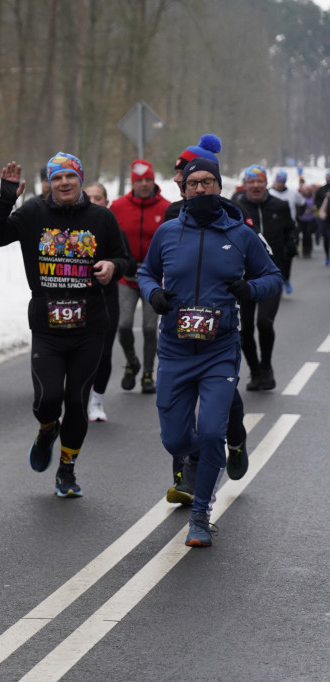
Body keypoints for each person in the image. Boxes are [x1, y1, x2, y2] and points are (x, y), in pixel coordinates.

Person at [137, 156, 281, 547]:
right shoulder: (168, 233)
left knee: (212, 430)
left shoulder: (241, 234)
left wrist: (249, 290)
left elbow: (272, 276)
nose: (200, 189)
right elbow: (145, 271)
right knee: (175, 441)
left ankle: (201, 514)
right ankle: (205, 457)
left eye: (208, 183)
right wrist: (153, 294)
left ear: (219, 187)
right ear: (182, 190)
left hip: (219, 348)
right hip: (175, 348)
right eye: (193, 184)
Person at [0, 153, 132, 497]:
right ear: (48, 182)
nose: (63, 183)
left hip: (89, 327)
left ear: (80, 179)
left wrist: (113, 266)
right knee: (47, 398)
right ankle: (48, 428)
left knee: (77, 402)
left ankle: (67, 470)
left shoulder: (101, 217)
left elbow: (126, 258)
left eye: (70, 176)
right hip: (48, 326)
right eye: (57, 177)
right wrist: (6, 199)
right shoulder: (34, 213)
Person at [158, 135, 250, 500]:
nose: (183, 181)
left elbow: (255, 259)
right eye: (181, 176)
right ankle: (186, 475)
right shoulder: (171, 216)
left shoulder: (231, 214)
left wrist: (243, 287)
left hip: (222, 320)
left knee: (224, 399)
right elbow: (159, 260)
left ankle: (236, 440)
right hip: (179, 322)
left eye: (190, 174)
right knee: (178, 406)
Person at [109, 160, 170, 396]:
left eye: (148, 180)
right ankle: (132, 361)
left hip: (154, 278)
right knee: (123, 325)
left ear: (154, 181)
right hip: (126, 277)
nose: (144, 185)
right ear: (132, 183)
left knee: (148, 327)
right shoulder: (117, 207)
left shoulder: (166, 208)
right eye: (139, 181)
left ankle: (147, 373)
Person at [234, 165, 293, 391]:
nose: (256, 186)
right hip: (244, 277)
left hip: (271, 275)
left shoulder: (280, 205)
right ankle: (255, 371)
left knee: (264, 322)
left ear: (266, 183)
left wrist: (290, 246)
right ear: (246, 184)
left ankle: (267, 367)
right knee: (245, 328)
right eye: (251, 182)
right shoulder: (236, 206)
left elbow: (290, 229)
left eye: (260, 181)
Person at [82, 183, 131, 423]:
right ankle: (78, 397)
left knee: (103, 351)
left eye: (98, 197)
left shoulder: (114, 230)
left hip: (105, 297)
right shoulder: (72, 229)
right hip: (76, 298)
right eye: (88, 197)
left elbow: (127, 262)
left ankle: (97, 401)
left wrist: (111, 265)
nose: (93, 201)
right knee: (79, 353)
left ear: (107, 202)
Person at [267, 169, 304, 292]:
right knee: (273, 257)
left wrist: (299, 216)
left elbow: (302, 203)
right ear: (275, 181)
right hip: (272, 229)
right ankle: (275, 281)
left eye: (282, 182)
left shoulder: (293, 193)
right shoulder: (268, 193)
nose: (280, 184)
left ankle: (286, 279)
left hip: (289, 229)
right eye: (278, 181)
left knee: (288, 255)